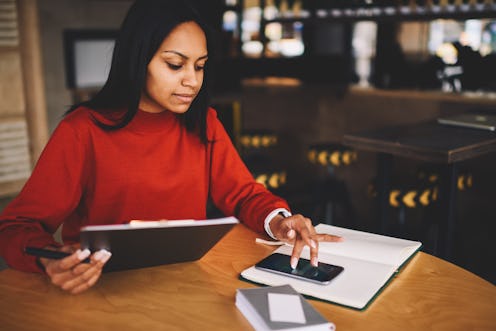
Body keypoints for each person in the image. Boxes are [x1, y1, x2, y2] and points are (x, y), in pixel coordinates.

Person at [0, 0, 342, 294]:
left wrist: (279, 221)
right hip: (103, 288)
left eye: (200, 66)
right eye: (175, 65)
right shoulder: (83, 131)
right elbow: (17, 226)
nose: (191, 80)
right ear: (138, 59)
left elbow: (242, 194)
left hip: (186, 283)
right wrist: (51, 259)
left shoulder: (203, 122)